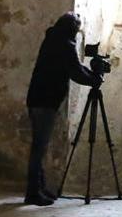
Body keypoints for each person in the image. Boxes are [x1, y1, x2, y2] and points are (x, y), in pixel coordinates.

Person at [24, 11, 103, 205]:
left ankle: (39, 189)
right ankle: (33, 193)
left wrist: (91, 76)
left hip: (38, 99)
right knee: (39, 148)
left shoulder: (53, 39)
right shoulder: (65, 45)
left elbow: (73, 67)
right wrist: (95, 79)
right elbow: (75, 71)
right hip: (45, 101)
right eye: (77, 28)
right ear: (72, 28)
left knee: (39, 147)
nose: (77, 32)